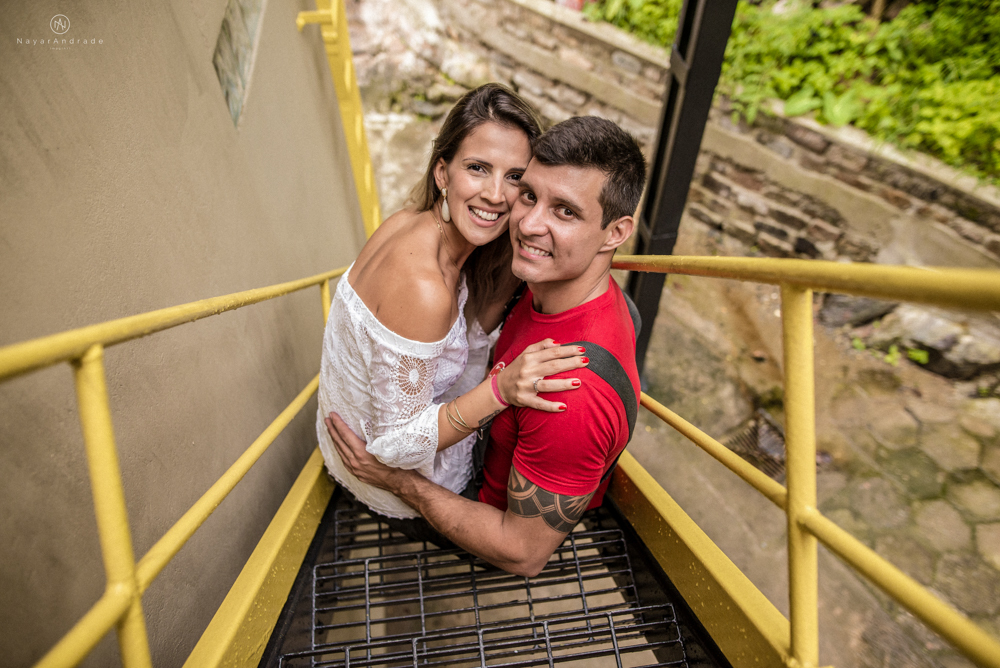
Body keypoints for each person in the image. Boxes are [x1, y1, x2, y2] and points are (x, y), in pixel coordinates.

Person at [325, 115, 647, 576]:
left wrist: (399, 483)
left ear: (616, 233)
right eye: (530, 194)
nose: (528, 224)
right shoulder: (540, 285)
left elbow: (523, 553)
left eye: (566, 211)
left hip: (468, 505)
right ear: (442, 173)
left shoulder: (572, 393)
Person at [317, 84, 587, 521]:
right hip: (390, 483)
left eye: (515, 177)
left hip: (344, 438)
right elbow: (395, 446)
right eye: (478, 168)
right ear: (443, 173)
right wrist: (501, 390)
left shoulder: (407, 220)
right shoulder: (425, 289)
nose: (497, 195)